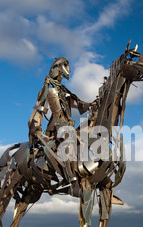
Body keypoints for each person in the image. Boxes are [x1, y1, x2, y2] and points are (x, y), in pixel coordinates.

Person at [28, 57, 95, 195]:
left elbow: (79, 104)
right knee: (69, 139)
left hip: (68, 125)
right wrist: (35, 126)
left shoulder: (63, 89)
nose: (67, 70)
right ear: (58, 69)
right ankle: (72, 179)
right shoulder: (48, 87)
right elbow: (39, 108)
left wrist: (92, 105)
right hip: (56, 127)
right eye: (64, 66)